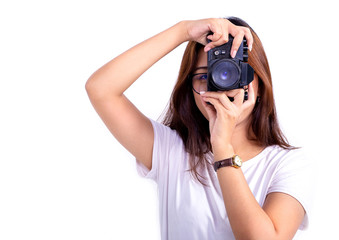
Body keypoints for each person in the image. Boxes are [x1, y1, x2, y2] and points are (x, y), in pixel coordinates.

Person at [85, 17, 314, 240]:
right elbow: (101, 89)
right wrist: (183, 31)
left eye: (233, 72)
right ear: (190, 88)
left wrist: (222, 146)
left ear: (260, 86)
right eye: (206, 76)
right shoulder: (171, 151)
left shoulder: (288, 165)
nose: (221, 85)